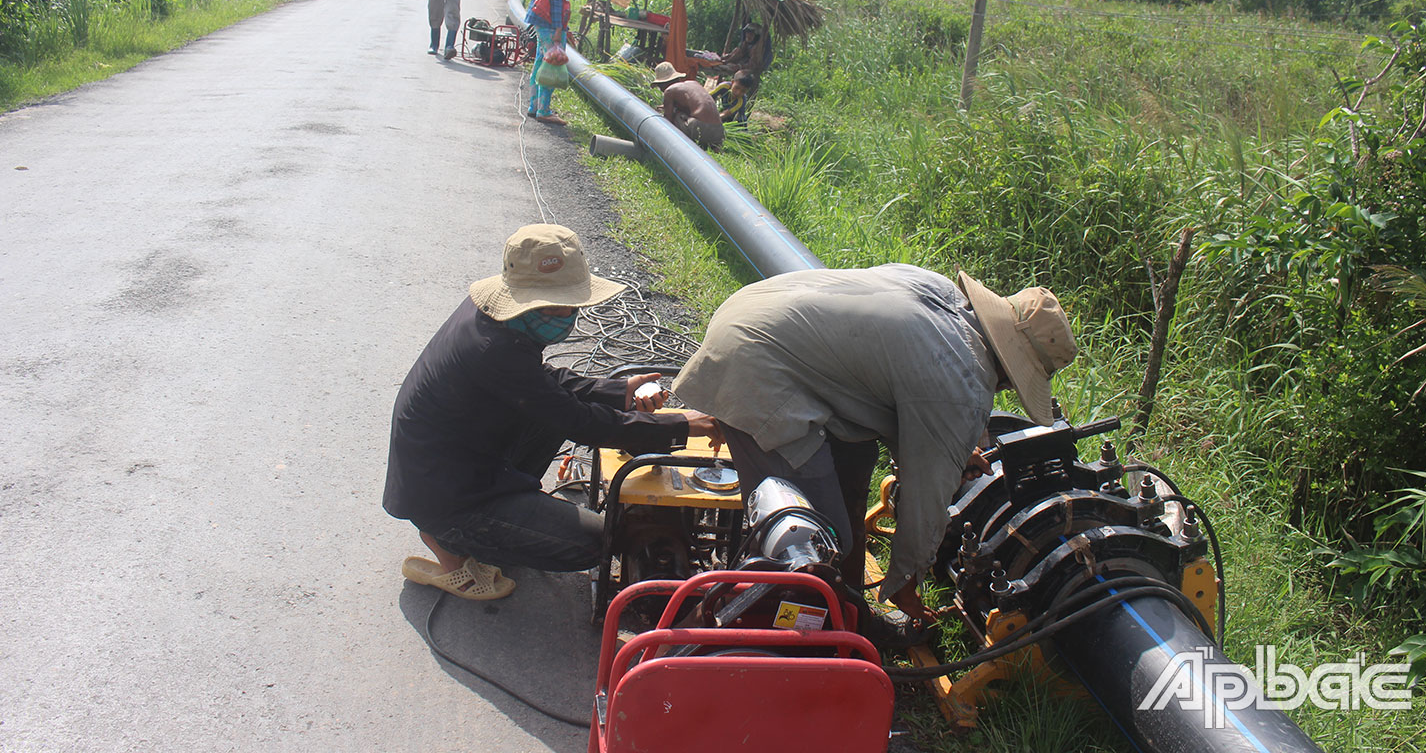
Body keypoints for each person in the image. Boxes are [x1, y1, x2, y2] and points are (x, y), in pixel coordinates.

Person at [673, 264, 1076, 643]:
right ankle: (733, 631)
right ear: (1012, 367)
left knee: (855, 461)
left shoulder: (941, 292)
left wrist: (955, 446)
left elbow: (900, 382)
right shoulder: (960, 382)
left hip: (752, 314)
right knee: (816, 547)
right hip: (758, 368)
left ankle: (848, 613)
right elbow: (925, 501)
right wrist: (906, 583)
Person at [385, 224, 723, 600]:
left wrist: (618, 391)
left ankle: (509, 515)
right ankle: (450, 541)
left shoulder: (498, 322)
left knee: (546, 416)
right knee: (597, 544)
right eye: (558, 305)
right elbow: (579, 422)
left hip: (458, 463)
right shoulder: (492, 348)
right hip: (445, 495)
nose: (568, 313)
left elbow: (541, 384)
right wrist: (679, 425)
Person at [525, 0, 590, 125]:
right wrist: (558, 30)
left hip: (540, 22)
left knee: (540, 61)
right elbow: (555, 3)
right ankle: (544, 110)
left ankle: (534, 106)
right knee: (552, 64)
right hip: (550, 24)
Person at [652, 61, 725, 150]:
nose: (660, 89)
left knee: (676, 115)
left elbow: (668, 120)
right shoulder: (693, 83)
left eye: (660, 86)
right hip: (719, 132)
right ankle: (713, 146)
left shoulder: (669, 91)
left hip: (700, 129)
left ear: (663, 83)